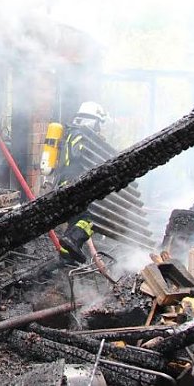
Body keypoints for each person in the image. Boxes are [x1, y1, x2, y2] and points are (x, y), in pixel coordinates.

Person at [54, 101, 108, 264]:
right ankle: (72, 242)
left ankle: (65, 258)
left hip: (66, 181)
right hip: (74, 182)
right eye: (97, 124)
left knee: (74, 220)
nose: (98, 128)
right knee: (89, 218)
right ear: (91, 120)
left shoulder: (71, 132)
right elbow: (79, 156)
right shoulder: (81, 134)